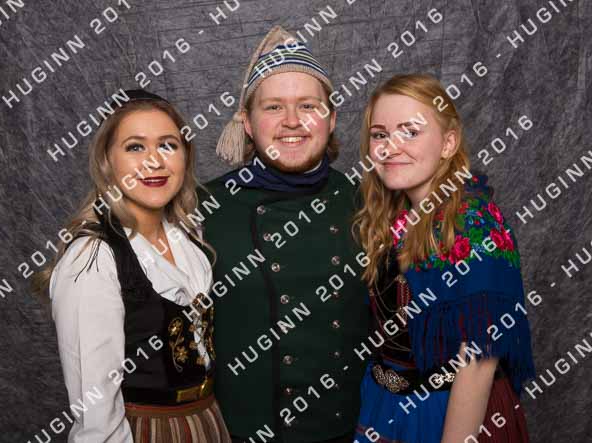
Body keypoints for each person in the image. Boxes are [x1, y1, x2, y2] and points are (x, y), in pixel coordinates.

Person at [199, 26, 370, 442]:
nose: (292, 121)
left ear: (332, 119)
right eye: (274, 107)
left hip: (345, 431)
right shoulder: (203, 208)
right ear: (247, 122)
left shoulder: (367, 203)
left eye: (308, 105)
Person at [32, 90, 231, 442]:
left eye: (168, 145)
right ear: (107, 161)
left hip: (207, 420)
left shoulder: (189, 237)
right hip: (146, 429)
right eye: (135, 147)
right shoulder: (93, 257)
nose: (154, 161)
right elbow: (96, 411)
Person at [351, 74, 536, 443]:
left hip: (451, 411)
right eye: (380, 134)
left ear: (448, 143)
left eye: (410, 132)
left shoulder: (474, 221)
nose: (391, 147)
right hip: (384, 403)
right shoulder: (393, 214)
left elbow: (478, 362)